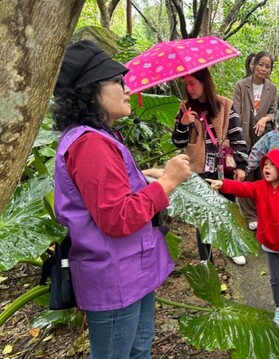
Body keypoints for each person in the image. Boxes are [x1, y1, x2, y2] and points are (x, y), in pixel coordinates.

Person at [52, 40, 192, 359]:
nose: (126, 88)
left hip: (130, 273)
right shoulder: (91, 144)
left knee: (139, 350)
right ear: (90, 91)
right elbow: (117, 217)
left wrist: (144, 176)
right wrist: (168, 181)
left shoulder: (97, 136)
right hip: (116, 280)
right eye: (115, 81)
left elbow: (103, 191)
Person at [206, 149, 279, 329]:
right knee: (276, 279)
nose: (266, 168)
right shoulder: (261, 187)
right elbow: (242, 187)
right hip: (271, 245)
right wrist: (222, 183)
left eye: (272, 165)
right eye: (265, 165)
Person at [172, 68, 249, 265]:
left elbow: (236, 135)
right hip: (199, 169)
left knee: (228, 209)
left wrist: (241, 165)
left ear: (204, 81)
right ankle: (206, 258)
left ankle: (232, 247)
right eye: (186, 84)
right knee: (202, 215)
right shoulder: (185, 109)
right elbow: (178, 142)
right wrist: (183, 124)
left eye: (192, 83)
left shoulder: (224, 105)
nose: (189, 88)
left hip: (223, 167)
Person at [233, 51, 278, 230]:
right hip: (243, 134)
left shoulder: (272, 88)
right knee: (245, 172)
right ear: (253, 65)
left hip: (263, 137)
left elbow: (275, 112)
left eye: (267, 66)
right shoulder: (241, 85)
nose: (263, 69)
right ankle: (250, 214)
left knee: (262, 173)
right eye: (261, 64)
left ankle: (262, 211)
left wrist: (264, 118)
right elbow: (235, 111)